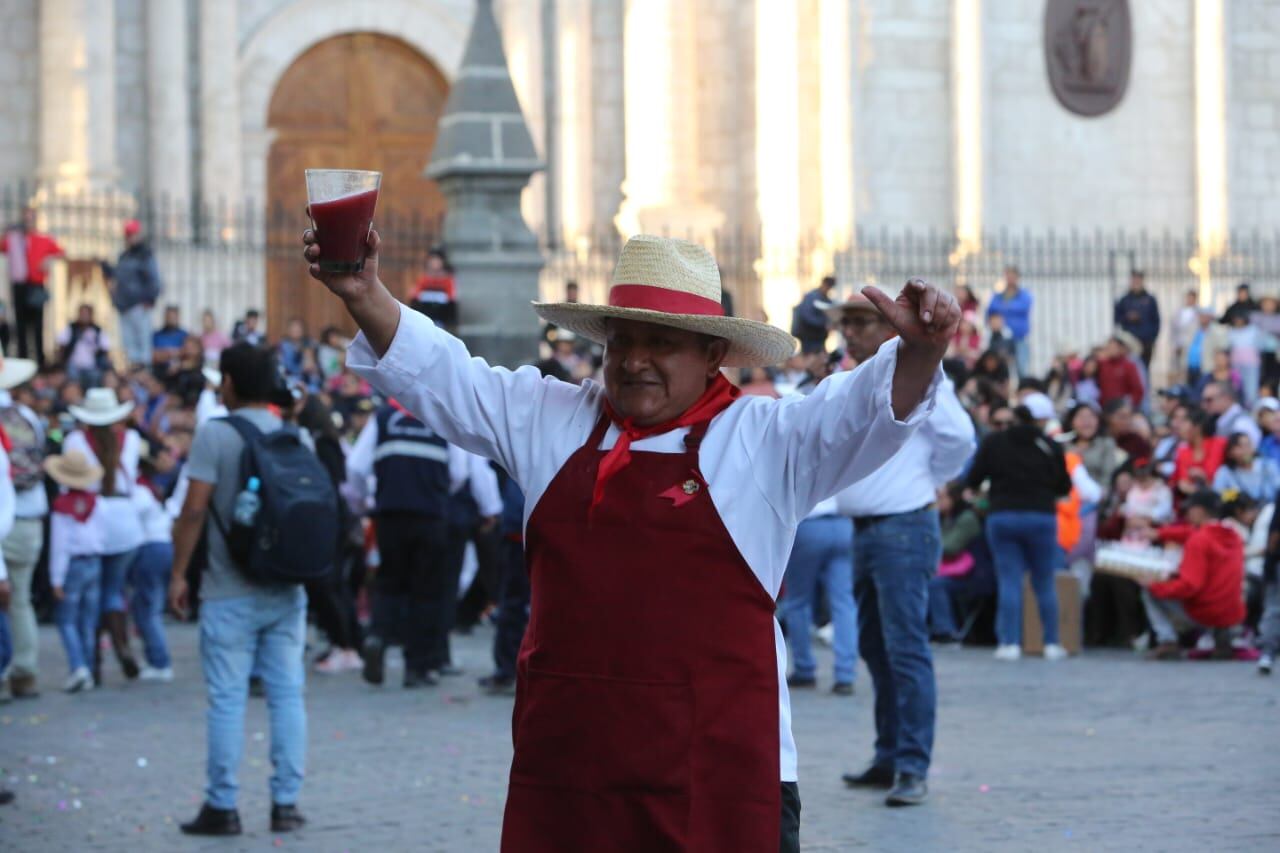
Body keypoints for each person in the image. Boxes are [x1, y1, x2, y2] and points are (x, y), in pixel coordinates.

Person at [304, 225, 958, 851]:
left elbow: (855, 411)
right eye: (623, 341)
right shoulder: (551, 419)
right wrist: (364, 293)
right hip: (567, 776)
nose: (635, 360)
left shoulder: (765, 440)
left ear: (712, 355)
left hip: (716, 780)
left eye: (661, 341)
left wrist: (921, 350)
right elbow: (446, 375)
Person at [827, 292, 975, 807]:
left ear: (889, 327)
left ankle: (912, 764)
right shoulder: (862, 376)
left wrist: (926, 482)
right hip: (870, 528)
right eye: (845, 323)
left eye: (860, 322)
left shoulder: (921, 374)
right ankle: (891, 754)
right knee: (877, 648)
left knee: (905, 650)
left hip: (903, 524)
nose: (849, 331)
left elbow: (959, 438)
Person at [168, 344, 309, 836]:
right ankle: (286, 804)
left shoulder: (216, 434)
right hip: (287, 587)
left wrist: (179, 573)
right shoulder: (293, 434)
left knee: (227, 699)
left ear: (228, 382)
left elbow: (192, 511)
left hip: (229, 588)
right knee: (287, 695)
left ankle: (222, 806)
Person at [345, 399, 499, 687]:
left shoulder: (383, 418)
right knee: (426, 591)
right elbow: (460, 473)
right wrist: (437, 492)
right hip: (431, 516)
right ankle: (417, 666)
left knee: (389, 581)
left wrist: (365, 500)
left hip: (390, 514)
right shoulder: (442, 419)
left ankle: (378, 636)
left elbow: (355, 467)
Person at [63, 388, 144, 683]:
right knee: (114, 590)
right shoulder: (131, 440)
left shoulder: (75, 440)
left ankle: (94, 658)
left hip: (93, 517)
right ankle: (121, 646)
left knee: (95, 595)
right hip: (126, 519)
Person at [1139, 490, 1245, 660]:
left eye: (1189, 509)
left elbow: (1190, 586)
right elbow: (1189, 532)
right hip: (1231, 611)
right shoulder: (1233, 535)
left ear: (1199, 511)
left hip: (1205, 612)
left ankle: (1168, 642)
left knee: (1149, 591)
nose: (1187, 514)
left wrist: (1154, 585)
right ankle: (1220, 635)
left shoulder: (1198, 541)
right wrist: (1160, 533)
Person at [778, 495, 857, 694]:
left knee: (798, 601)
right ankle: (845, 673)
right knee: (844, 602)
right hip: (842, 523)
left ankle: (804, 668)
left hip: (809, 523)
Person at [44, 450, 105, 693]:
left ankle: (78, 667)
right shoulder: (96, 502)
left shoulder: (62, 507)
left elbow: (60, 546)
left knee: (66, 619)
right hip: (94, 562)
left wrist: (55, 579)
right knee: (88, 620)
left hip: (73, 565)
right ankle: (88, 667)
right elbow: (102, 535)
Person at [0, 356, 43, 699]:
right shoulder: (28, 417)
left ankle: (2, 677)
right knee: (22, 600)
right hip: (29, 519)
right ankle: (24, 672)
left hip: (7, 522)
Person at [2, 206, 64, 365]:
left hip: (36, 285)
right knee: (21, 324)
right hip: (20, 285)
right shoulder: (13, 239)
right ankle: (23, 358)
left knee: (37, 325)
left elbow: (61, 252)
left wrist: (47, 260)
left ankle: (40, 361)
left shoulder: (43, 239)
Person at [131, 456, 174, 680]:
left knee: (148, 609)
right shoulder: (150, 489)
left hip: (151, 548)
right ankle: (157, 659)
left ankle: (160, 662)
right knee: (149, 607)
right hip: (161, 546)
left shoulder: (139, 491)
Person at [102, 220, 162, 368]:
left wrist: (149, 298)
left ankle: (144, 371)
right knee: (128, 344)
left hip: (139, 304)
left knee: (142, 342)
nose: (130, 238)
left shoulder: (145, 255)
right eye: (128, 235)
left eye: (133, 235)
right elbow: (119, 276)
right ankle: (133, 371)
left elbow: (154, 280)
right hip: (124, 305)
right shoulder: (124, 256)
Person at [986, 266, 1032, 377]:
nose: (1010, 279)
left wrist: (1004, 307)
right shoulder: (998, 296)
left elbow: (1023, 307)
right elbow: (990, 311)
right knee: (1000, 369)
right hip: (1002, 340)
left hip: (1019, 338)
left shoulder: (1024, 295)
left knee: (1022, 369)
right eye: (1008, 276)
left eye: (1013, 277)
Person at [1212, 432, 1280, 503]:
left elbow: (1278, 486)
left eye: (1248, 445)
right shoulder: (1225, 472)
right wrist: (1236, 496)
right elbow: (1217, 495)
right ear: (1230, 453)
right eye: (1240, 447)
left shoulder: (1267, 465)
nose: (1246, 450)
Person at [56, 304, 111, 389]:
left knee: (95, 381)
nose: (84, 316)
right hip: (73, 366)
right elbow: (62, 345)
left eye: (86, 314)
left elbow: (105, 349)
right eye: (82, 314)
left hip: (92, 366)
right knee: (73, 383)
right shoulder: (71, 328)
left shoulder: (97, 330)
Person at [1114, 271, 1160, 367]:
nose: (1136, 283)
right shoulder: (1124, 300)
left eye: (1138, 280)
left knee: (1144, 368)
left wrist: (1152, 338)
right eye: (1134, 280)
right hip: (1129, 341)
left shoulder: (1150, 299)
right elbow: (1117, 319)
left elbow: (1156, 321)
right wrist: (1127, 317)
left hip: (1146, 342)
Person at [1201, 380, 1262, 447]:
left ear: (1226, 398)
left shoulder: (1242, 423)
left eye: (1209, 400)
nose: (1204, 405)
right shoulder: (1217, 420)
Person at [790, 275, 835, 354]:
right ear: (824, 284)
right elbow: (807, 316)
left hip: (819, 336)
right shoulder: (811, 297)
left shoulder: (825, 299)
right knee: (811, 357)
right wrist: (823, 323)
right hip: (809, 336)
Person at [1097, 335, 1145, 408]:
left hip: (1121, 408)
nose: (1111, 350)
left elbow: (1138, 390)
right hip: (1105, 408)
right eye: (1109, 347)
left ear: (1121, 348)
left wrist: (1129, 406)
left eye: (1114, 347)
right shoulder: (1101, 364)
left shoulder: (1129, 365)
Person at [1187, 307, 1227, 388]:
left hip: (1206, 368)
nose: (1203, 319)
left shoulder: (1217, 331)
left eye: (1205, 316)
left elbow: (1221, 350)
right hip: (1192, 367)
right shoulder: (1194, 329)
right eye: (1201, 316)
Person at [152, 305, 189, 379]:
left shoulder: (185, 335)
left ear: (178, 317)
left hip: (180, 372)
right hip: (159, 371)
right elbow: (153, 355)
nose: (171, 319)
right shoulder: (156, 335)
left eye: (173, 317)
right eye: (169, 317)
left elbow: (188, 353)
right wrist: (173, 353)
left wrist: (165, 353)